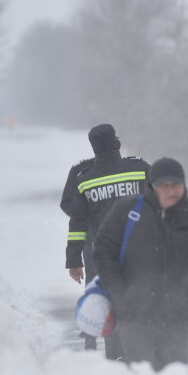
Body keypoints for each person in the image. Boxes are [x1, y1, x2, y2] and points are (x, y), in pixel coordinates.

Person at [93, 157, 188, 371]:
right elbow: (103, 251)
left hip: (177, 316)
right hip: (134, 314)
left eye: (176, 185)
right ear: (152, 186)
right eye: (165, 185)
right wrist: (119, 290)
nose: (172, 191)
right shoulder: (128, 212)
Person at [66, 123, 150, 358]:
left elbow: (77, 224)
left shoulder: (84, 180)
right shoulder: (140, 168)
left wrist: (73, 260)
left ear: (94, 148)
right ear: (116, 143)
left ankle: (115, 355)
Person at [59, 154, 93, 349]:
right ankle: (91, 328)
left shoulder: (127, 167)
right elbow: (67, 203)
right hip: (92, 237)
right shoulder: (81, 170)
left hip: (99, 238)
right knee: (94, 284)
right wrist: (88, 216)